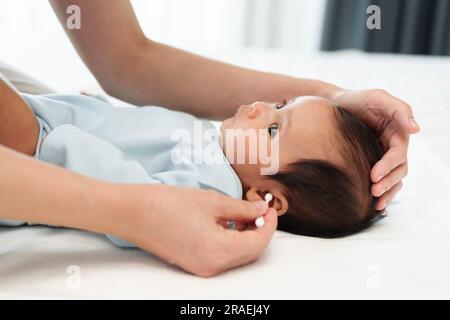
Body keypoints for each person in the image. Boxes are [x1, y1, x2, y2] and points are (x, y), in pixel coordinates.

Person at [0, 0, 419, 277]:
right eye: (281, 104)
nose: (260, 106)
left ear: (267, 199)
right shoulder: (213, 146)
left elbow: (133, 187)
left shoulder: (211, 186)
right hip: (49, 125)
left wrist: (59, 140)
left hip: (37, 148)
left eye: (274, 127)